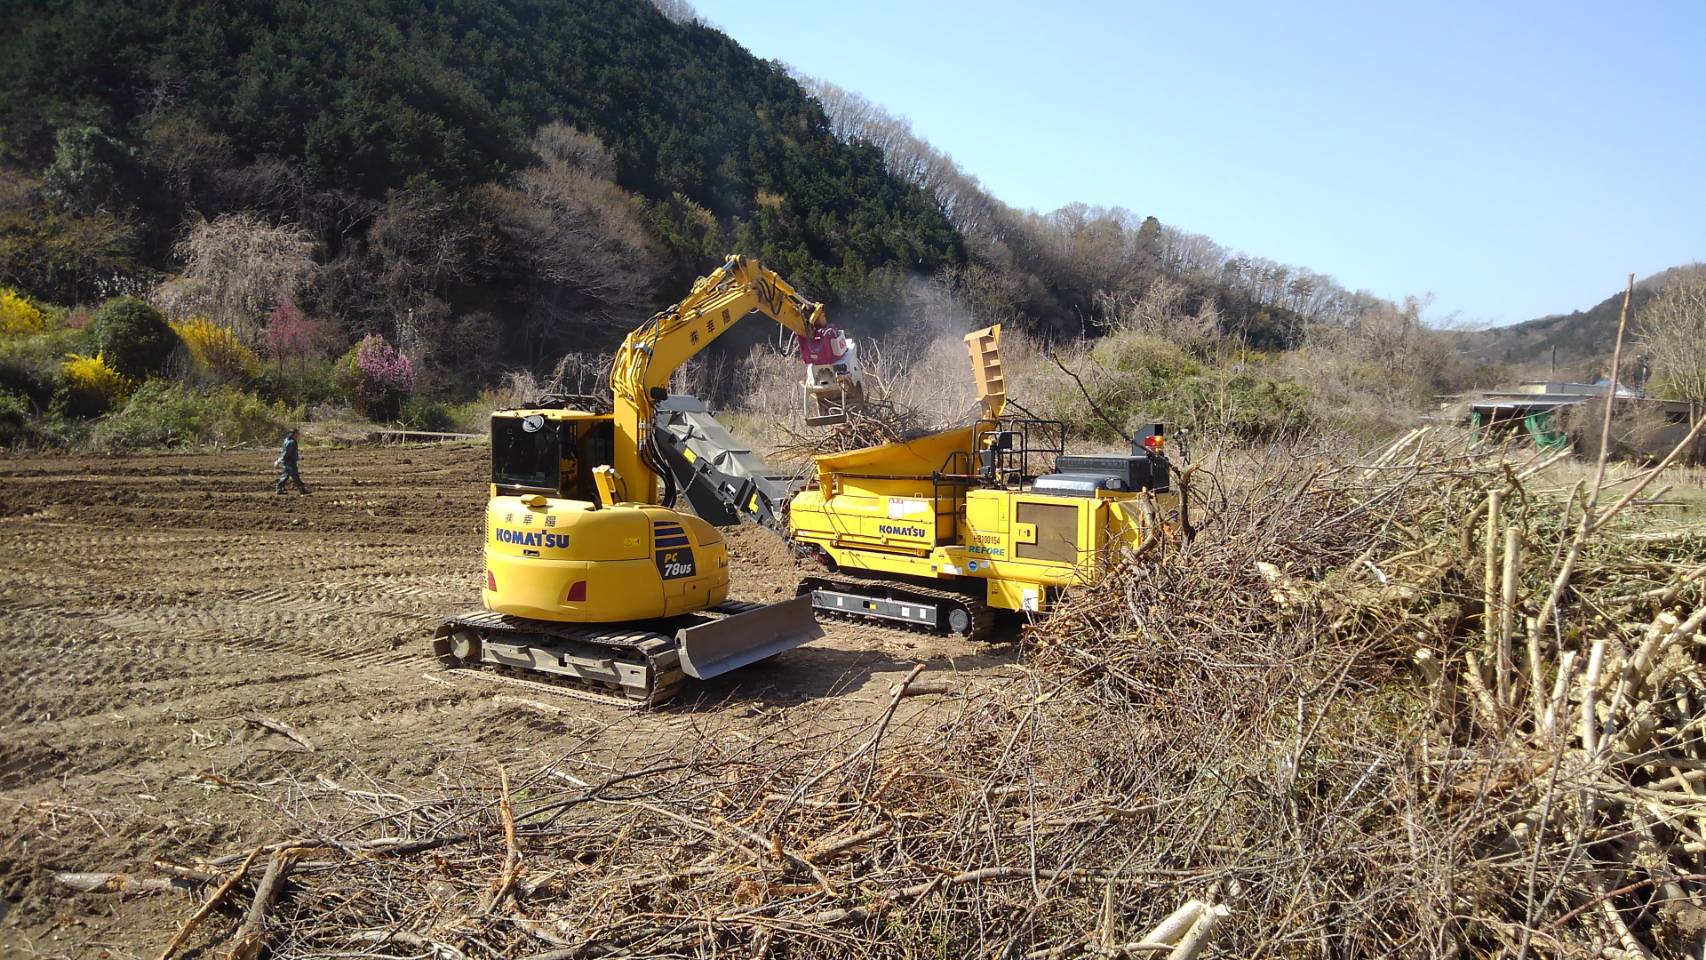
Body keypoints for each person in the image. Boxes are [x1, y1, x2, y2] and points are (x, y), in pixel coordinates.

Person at [272, 428, 310, 494]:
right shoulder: (292, 442)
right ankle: (301, 489)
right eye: (297, 434)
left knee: (289, 475)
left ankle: (279, 488)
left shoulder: (286, 440)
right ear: (294, 434)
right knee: (293, 475)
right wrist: (278, 461)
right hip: (290, 462)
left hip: (288, 461)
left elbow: (285, 451)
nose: (298, 435)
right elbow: (286, 453)